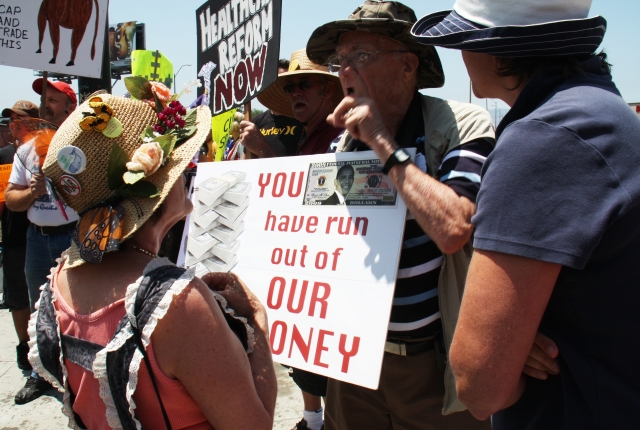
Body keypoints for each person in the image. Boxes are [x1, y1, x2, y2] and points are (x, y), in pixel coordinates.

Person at [411, 0, 640, 428]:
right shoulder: (600, 111)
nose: (460, 54)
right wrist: (515, 340)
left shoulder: (542, 139)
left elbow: (479, 385)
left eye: (465, 39)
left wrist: (500, 350)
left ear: (498, 51)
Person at [28, 93, 277, 429]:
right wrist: (257, 320)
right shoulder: (179, 302)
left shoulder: (61, 279)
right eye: (179, 165)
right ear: (157, 185)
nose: (187, 172)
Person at [306, 1, 497, 428]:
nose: (345, 71)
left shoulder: (461, 124)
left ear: (408, 65)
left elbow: (453, 228)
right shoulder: (339, 148)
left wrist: (380, 140)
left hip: (432, 367)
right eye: (340, 60)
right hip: (352, 364)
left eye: (361, 56)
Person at [6, 79, 80, 404]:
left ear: (69, 107)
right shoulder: (26, 149)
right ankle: (40, 374)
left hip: (73, 237)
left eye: (53, 99)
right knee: (39, 311)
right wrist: (31, 193)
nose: (46, 105)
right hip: (36, 241)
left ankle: (78, 376)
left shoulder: (82, 144)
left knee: (76, 310)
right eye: (43, 99)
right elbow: (12, 199)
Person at [0, 102, 39, 373]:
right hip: (13, 236)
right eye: (11, 121)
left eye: (20, 120)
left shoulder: (46, 152)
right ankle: (25, 351)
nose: (14, 125)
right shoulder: (4, 155)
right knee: (17, 298)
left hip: (41, 235)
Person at [257, 49, 345, 156]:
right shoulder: (310, 136)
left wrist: (264, 150)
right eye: (289, 88)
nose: (295, 93)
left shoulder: (334, 135)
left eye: (304, 84)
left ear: (328, 90)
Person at [240, 59, 305, 158]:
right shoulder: (255, 123)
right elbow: (246, 161)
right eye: (275, 82)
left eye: (286, 84)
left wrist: (262, 149)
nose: (279, 87)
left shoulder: (303, 120)